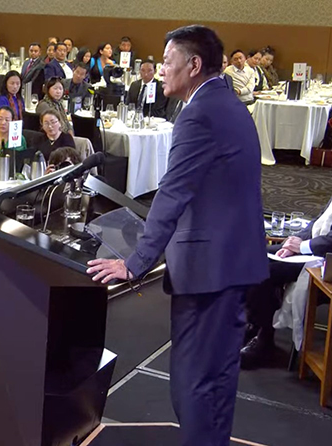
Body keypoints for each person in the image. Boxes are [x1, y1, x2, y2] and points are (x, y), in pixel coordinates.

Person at [86, 25, 268, 445]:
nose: (161, 69)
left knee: (193, 386)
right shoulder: (228, 102)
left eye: (168, 61)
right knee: (216, 384)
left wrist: (135, 262)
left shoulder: (199, 113)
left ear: (193, 64)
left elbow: (172, 192)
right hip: (231, 264)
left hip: (210, 273)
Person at [241, 199, 332, 369]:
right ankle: (253, 324)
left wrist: (303, 246)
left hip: (327, 262)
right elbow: (318, 221)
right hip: (316, 250)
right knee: (251, 258)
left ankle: (264, 338)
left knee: (264, 272)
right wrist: (294, 242)